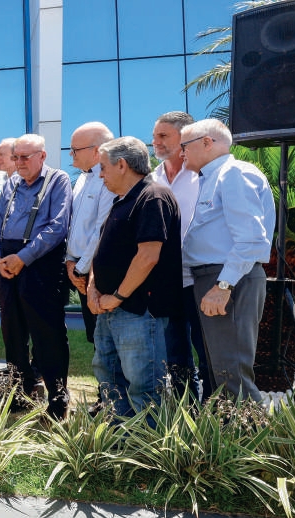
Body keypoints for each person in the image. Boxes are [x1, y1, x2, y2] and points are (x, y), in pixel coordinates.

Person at [180, 119, 275, 403]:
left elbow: (251, 239)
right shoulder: (213, 177)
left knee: (232, 374)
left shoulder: (233, 173)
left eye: (185, 146)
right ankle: (229, 439)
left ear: (207, 142)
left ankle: (251, 443)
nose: (181, 153)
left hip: (229, 279)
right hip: (215, 278)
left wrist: (223, 286)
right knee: (220, 372)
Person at [87, 137, 182, 417]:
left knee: (144, 386)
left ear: (122, 164)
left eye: (103, 167)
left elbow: (148, 257)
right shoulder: (120, 202)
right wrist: (93, 291)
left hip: (139, 311)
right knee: (110, 382)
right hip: (109, 310)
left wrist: (116, 297)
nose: (100, 175)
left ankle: (147, 452)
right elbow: (99, 253)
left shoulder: (152, 196)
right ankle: (120, 444)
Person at [0, 134, 72, 420]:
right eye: (16, 157)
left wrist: (23, 258)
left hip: (40, 265)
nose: (19, 163)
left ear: (42, 156)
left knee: (47, 335)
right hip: (7, 266)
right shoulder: (10, 184)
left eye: (25, 157)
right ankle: (19, 394)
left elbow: (57, 227)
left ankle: (57, 400)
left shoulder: (58, 181)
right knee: (13, 333)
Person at [152, 111, 207, 402]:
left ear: (184, 137)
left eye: (163, 136)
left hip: (201, 277)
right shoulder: (153, 178)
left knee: (207, 350)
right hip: (167, 280)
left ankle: (215, 415)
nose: (155, 142)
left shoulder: (202, 174)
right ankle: (186, 411)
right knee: (175, 354)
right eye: (154, 136)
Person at [65, 122, 115, 344]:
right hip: (77, 267)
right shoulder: (82, 179)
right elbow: (72, 226)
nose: (71, 154)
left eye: (75, 149)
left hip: (95, 269)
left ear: (96, 150)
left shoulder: (109, 180)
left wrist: (81, 270)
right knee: (94, 336)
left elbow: (101, 230)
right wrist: (70, 262)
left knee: (105, 337)